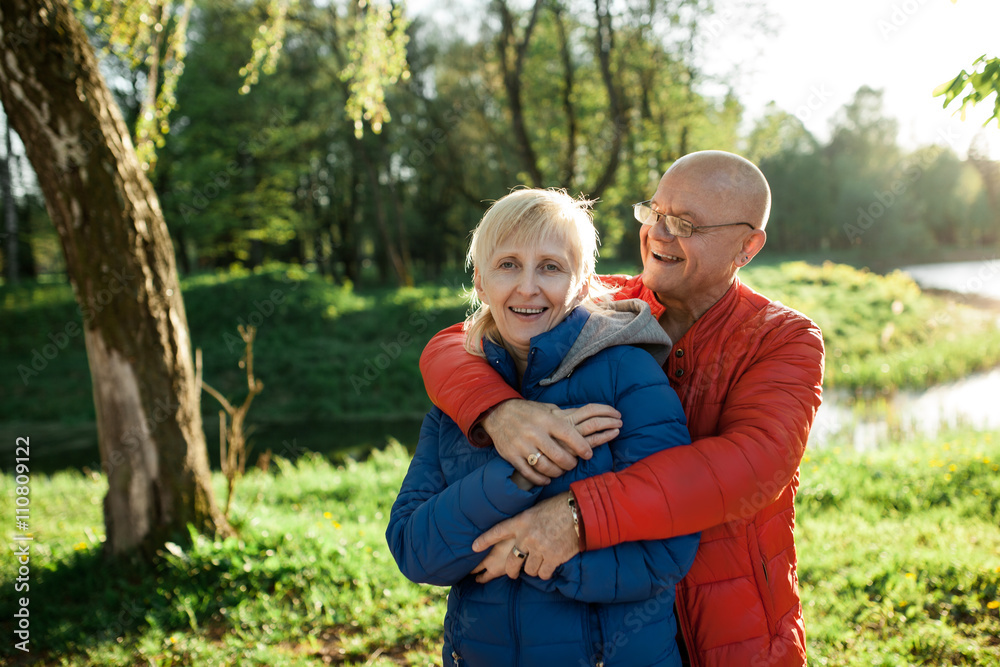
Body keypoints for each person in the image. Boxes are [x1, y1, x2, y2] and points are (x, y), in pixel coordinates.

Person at [418, 151, 825, 666]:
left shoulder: (784, 339)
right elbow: (455, 341)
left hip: (729, 614)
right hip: (612, 607)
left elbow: (748, 467)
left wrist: (577, 516)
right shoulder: (603, 303)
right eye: (655, 213)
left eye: (687, 225)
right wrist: (498, 411)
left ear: (747, 246)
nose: (659, 234)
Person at [386, 188, 699, 666]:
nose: (528, 287)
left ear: (583, 282)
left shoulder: (629, 377)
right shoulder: (463, 398)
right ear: (480, 283)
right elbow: (415, 551)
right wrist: (518, 474)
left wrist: (531, 551)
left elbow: (667, 550)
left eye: (550, 267)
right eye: (508, 264)